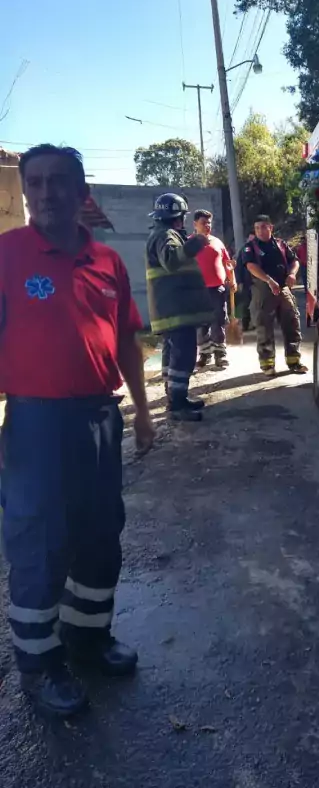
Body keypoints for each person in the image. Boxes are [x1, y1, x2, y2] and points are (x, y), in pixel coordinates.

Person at [0, 144, 155, 718]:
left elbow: (126, 342)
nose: (45, 193)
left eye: (58, 181)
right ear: (25, 191)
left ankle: (87, 639)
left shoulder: (108, 262)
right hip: (35, 422)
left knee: (98, 533)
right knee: (39, 543)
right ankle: (39, 667)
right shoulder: (7, 255)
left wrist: (140, 410)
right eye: (34, 183)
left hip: (99, 417)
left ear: (80, 190)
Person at [145, 193, 212, 422]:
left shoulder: (161, 234)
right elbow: (172, 260)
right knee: (183, 355)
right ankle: (177, 404)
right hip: (175, 311)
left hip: (170, 310)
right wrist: (195, 243)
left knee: (173, 354)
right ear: (177, 217)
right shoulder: (166, 235)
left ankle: (175, 398)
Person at [243, 215, 308, 377]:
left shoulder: (281, 244)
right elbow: (251, 266)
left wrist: (292, 274)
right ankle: (267, 365)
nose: (260, 231)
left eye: (264, 227)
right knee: (264, 327)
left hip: (284, 289)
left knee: (292, 323)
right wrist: (268, 280)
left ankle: (294, 361)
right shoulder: (250, 247)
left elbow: (295, 261)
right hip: (263, 290)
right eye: (257, 228)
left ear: (271, 227)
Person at [193, 209, 236, 368]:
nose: (207, 226)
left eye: (209, 223)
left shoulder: (217, 242)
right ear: (195, 224)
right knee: (201, 325)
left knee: (218, 322)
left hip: (217, 289)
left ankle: (220, 354)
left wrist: (233, 280)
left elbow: (228, 264)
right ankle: (204, 354)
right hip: (197, 291)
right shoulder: (189, 244)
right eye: (203, 223)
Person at [235, 231, 255, 331]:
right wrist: (239, 281)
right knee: (245, 304)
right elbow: (238, 267)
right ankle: (245, 324)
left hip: (258, 282)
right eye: (250, 239)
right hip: (246, 282)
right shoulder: (243, 250)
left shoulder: (259, 249)